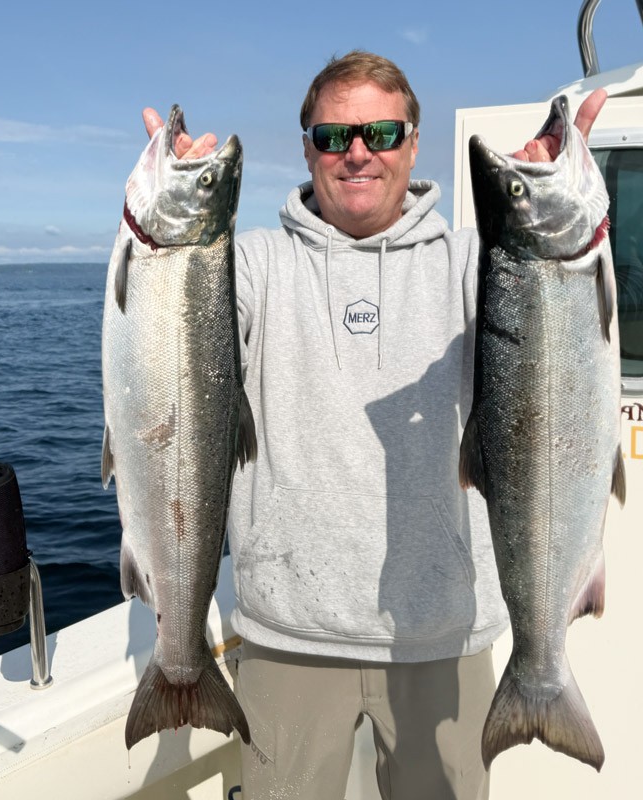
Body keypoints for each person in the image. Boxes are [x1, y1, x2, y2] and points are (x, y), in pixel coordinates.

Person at [143, 51, 606, 800]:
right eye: (334, 137)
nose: (357, 152)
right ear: (307, 151)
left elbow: (561, 312)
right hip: (286, 638)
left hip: (443, 636)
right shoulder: (251, 264)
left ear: (413, 144)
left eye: (381, 132)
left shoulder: (480, 262)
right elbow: (168, 335)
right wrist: (174, 215)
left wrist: (545, 189)